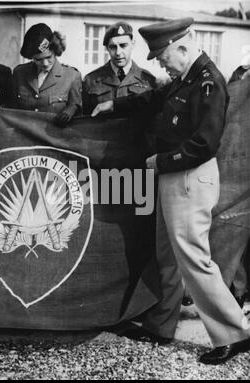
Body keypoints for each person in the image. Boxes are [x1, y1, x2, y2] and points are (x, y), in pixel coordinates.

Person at [91, 17, 250, 365]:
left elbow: (205, 144)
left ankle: (234, 333)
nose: (160, 63)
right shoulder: (185, 78)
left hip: (190, 176)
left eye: (162, 56)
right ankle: (162, 326)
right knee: (166, 256)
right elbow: (150, 98)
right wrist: (113, 105)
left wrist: (160, 162)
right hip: (173, 177)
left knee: (194, 261)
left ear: (182, 45)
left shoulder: (209, 82)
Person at [12, 23, 82, 127]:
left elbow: (76, 105)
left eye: (49, 57)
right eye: (38, 59)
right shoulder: (20, 73)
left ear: (56, 51)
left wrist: (69, 112)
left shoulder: (71, 76)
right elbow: (10, 106)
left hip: (53, 137)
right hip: (25, 136)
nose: (45, 64)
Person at [82, 21, 158, 114]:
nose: (118, 52)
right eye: (113, 47)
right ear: (107, 48)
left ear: (132, 44)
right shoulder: (91, 80)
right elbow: (85, 120)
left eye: (123, 45)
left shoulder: (148, 80)